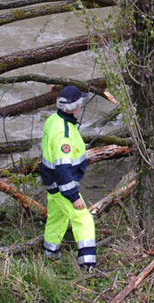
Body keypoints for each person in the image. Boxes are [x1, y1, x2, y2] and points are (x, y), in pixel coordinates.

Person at [39, 85, 96, 270]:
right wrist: (73, 196)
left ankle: (51, 253)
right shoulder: (65, 134)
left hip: (51, 183)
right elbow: (63, 169)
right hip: (61, 185)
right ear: (76, 107)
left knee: (58, 217)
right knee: (83, 220)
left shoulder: (53, 120)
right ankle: (88, 267)